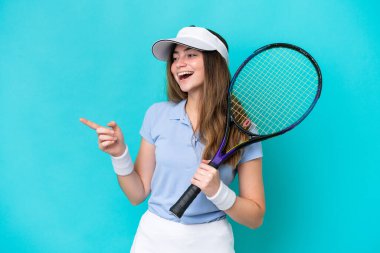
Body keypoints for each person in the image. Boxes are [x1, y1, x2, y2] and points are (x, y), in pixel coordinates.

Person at [80, 26, 265, 253]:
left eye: (190, 55)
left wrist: (219, 192)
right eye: (175, 58)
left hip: (212, 243)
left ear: (215, 64)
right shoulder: (157, 115)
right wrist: (120, 155)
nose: (179, 64)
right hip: (153, 240)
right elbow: (137, 194)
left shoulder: (244, 130)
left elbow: (255, 218)